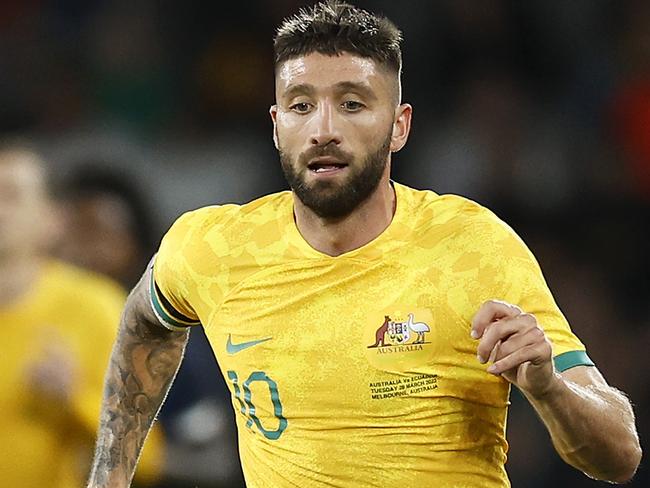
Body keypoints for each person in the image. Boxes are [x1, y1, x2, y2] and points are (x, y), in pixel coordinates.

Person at [86, 2, 642, 487]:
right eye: (302, 106)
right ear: (278, 125)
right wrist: (108, 479)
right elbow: (146, 324)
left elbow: (619, 456)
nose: (323, 127)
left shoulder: (473, 247)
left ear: (399, 126)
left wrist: (550, 390)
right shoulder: (212, 246)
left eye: (352, 104)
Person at [0, 144, 163, 488]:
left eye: (10, 195)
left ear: (52, 219)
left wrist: (74, 399)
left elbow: (148, 459)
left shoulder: (96, 308)